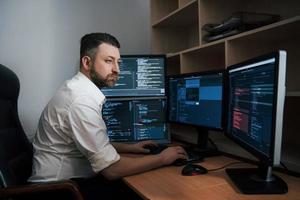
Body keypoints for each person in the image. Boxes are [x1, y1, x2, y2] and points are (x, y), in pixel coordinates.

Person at [28, 32, 187, 199]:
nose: (117, 69)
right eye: (108, 61)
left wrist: (130, 148)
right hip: (58, 191)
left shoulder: (78, 90)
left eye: (118, 62)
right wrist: (162, 158)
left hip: (67, 182)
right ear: (87, 62)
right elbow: (112, 170)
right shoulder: (81, 101)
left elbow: (93, 143)